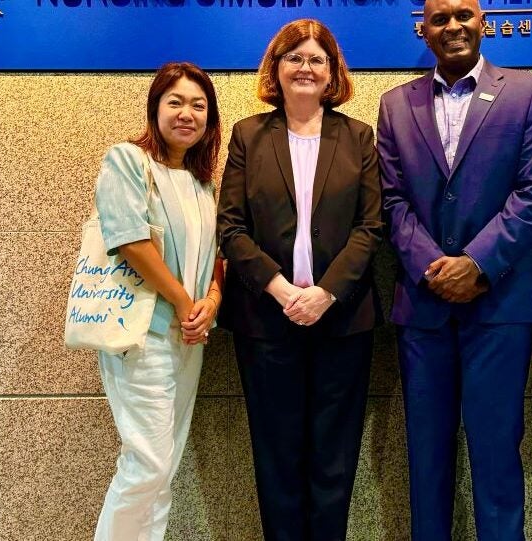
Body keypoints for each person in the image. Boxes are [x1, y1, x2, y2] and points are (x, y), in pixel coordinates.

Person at [375, 0, 532, 537]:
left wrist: (477, 264)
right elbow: (391, 201)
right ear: (424, 30)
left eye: (464, 14)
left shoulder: (527, 93)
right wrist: (436, 268)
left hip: (500, 307)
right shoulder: (394, 105)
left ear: (484, 22)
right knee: (425, 460)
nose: (453, 26)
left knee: (497, 456)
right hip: (424, 306)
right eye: (440, 18)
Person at [216, 18, 383, 541]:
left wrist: (325, 293)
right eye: (294, 57)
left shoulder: (358, 136)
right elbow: (231, 226)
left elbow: (372, 225)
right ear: (276, 68)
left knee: (334, 461)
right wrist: (285, 291)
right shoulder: (248, 135)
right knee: (277, 458)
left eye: (317, 59)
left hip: (343, 321)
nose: (305, 67)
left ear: (333, 73)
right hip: (267, 321)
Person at [92, 61, 224, 541]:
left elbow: (215, 257)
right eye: (175, 102)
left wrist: (210, 301)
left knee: (164, 464)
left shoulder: (204, 183)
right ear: (155, 108)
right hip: (143, 335)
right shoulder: (127, 160)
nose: (186, 113)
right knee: (145, 462)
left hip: (190, 337)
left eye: (198, 105)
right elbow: (130, 241)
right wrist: (187, 302)